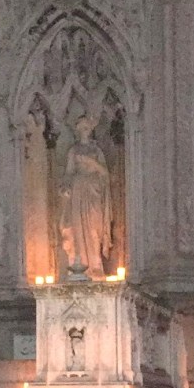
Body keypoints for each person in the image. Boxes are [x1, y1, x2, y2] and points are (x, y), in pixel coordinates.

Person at [59, 116, 112, 279]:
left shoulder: (96, 151)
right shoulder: (73, 150)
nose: (84, 130)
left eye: (87, 127)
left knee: (94, 229)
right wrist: (66, 187)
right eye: (81, 127)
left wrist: (92, 163)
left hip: (94, 192)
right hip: (78, 191)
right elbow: (68, 173)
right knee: (77, 229)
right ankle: (79, 265)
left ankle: (95, 266)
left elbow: (105, 173)